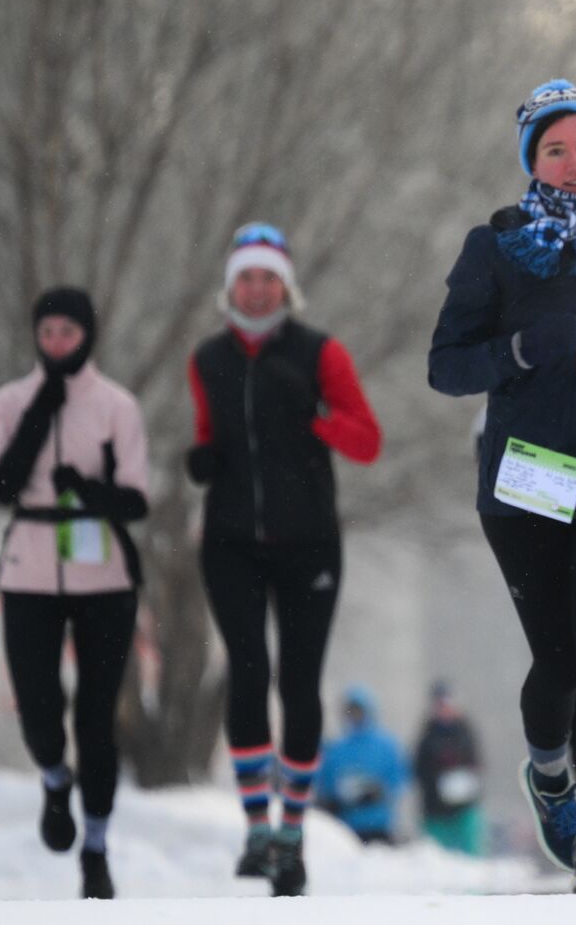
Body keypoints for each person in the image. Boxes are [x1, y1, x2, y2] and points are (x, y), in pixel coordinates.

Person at [428, 79, 576, 893]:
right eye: (555, 149)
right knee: (557, 658)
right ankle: (550, 772)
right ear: (534, 160)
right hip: (528, 477)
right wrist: (521, 348)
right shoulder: (497, 245)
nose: (574, 162)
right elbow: (445, 366)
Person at [185, 221, 382, 897]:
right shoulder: (207, 358)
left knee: (298, 684)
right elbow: (209, 432)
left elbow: (367, 440)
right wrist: (203, 457)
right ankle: (256, 831)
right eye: (247, 277)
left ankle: (292, 832)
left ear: (286, 286)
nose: (258, 288)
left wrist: (315, 415)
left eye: (270, 277)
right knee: (247, 673)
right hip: (231, 541)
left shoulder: (320, 353)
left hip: (309, 544)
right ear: (230, 286)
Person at [0, 287, 149, 900]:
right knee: (39, 709)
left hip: (103, 571)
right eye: (47, 332)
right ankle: (55, 777)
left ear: (88, 336)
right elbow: (0, 484)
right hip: (29, 568)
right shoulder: (9, 401)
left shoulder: (116, 406)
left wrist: (86, 487)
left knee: (97, 717)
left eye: (67, 333)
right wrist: (41, 411)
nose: (56, 343)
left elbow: (135, 499)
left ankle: (97, 846)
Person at [318, 685, 410, 844]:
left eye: (359, 711)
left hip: (380, 825)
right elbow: (325, 784)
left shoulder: (386, 745)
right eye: (351, 711)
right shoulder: (337, 748)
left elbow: (399, 777)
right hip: (346, 829)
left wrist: (379, 793)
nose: (355, 716)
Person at [413, 680, 486, 856]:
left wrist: (463, 782)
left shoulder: (466, 733)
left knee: (472, 856)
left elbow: (477, 765)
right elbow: (420, 771)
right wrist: (440, 782)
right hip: (436, 812)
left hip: (464, 809)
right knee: (439, 857)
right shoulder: (427, 737)